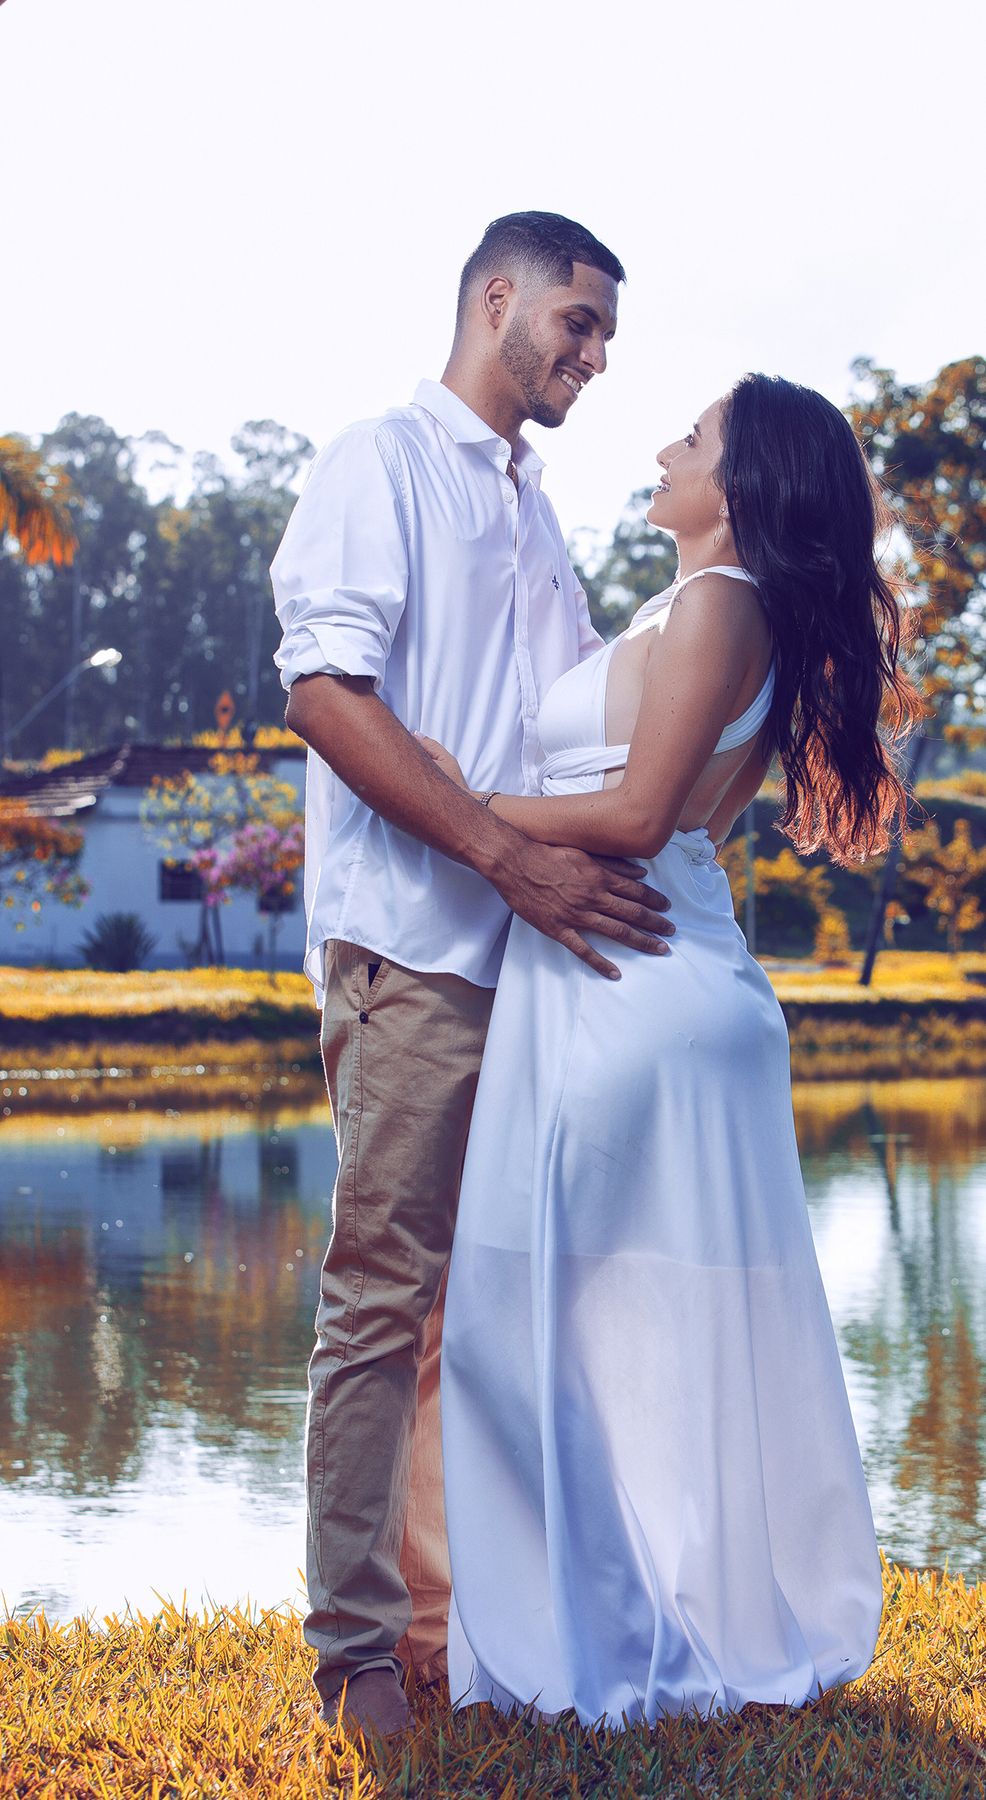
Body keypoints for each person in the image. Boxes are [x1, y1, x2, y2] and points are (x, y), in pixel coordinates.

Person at [423, 373, 921, 1726]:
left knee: (547, 1321)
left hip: (631, 985)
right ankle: (630, 1615)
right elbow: (675, 820)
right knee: (597, 1324)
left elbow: (642, 817)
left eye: (692, 439)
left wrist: (451, 799)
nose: (662, 448)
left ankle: (613, 1639)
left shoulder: (722, 604)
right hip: (630, 973)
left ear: (741, 487)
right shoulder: (700, 608)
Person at [270, 212, 675, 1740]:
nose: (594, 358)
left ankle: (463, 1629)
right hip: (415, 946)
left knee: (491, 1308)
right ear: (497, 296)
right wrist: (507, 859)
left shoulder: (537, 512)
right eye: (579, 322)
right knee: (385, 1296)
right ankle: (357, 1652)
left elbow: (587, 724)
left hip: (538, 965)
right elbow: (326, 694)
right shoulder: (378, 464)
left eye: (605, 338)